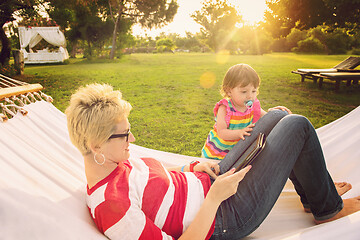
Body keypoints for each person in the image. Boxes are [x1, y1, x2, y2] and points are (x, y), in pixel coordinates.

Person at [65, 83, 360, 240]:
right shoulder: (113, 207)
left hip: (211, 180)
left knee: (277, 117)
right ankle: (327, 208)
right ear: (96, 145)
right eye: (125, 134)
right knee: (297, 126)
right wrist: (214, 200)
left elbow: (156, 179)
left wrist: (191, 168)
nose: (132, 140)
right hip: (226, 215)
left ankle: (313, 195)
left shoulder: (115, 161)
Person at [201, 64, 291, 160]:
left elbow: (268, 118)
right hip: (216, 154)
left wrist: (274, 112)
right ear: (229, 91)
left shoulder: (253, 106)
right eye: (244, 92)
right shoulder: (224, 108)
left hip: (236, 153)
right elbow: (222, 132)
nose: (250, 96)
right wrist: (239, 132)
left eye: (253, 91)